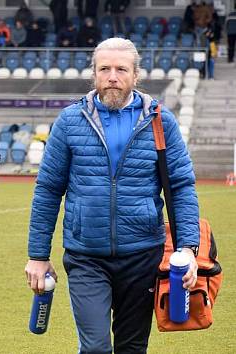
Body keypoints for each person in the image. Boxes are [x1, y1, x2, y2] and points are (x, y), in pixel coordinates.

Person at [24, 38, 199, 354]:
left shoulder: (161, 121)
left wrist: (187, 248)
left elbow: (181, 186)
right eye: (104, 69)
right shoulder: (69, 121)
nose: (112, 76)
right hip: (85, 255)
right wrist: (38, 255)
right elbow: (48, 190)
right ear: (94, 74)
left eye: (121, 69)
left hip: (143, 254)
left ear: (136, 75)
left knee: (132, 348)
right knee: (95, 348)